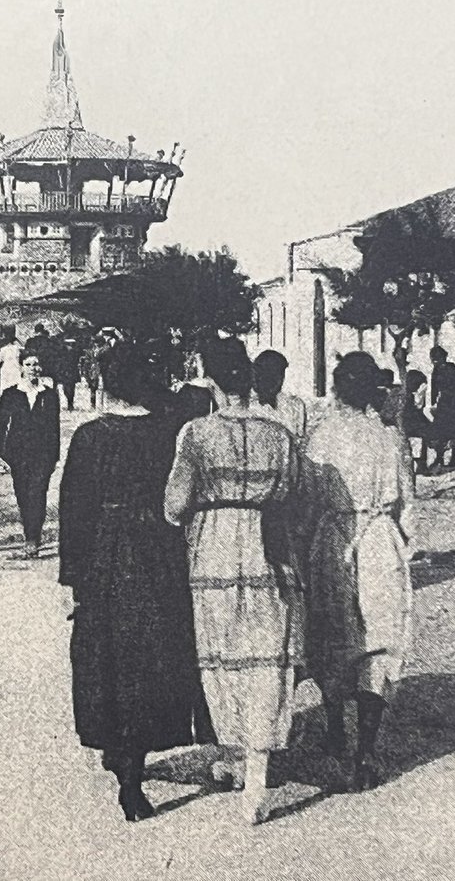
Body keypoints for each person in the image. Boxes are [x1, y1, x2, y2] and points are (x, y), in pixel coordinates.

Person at [59, 343, 206, 822]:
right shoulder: (170, 432)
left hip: (105, 556)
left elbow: (74, 513)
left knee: (108, 659)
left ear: (105, 382)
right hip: (159, 553)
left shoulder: (90, 437)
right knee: (152, 657)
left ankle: (120, 757)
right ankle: (134, 775)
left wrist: (74, 576)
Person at [163, 340, 301, 825]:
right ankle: (256, 775)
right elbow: (292, 493)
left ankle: (239, 755)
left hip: (216, 550)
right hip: (271, 547)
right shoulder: (280, 434)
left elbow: (174, 506)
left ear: (214, 381)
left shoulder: (196, 434)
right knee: (267, 657)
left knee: (223, 656)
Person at [298, 352, 413, 792]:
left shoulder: (320, 437)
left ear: (336, 387)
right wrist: (405, 540)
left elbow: (307, 499)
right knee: (379, 639)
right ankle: (365, 751)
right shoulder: (389, 438)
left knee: (333, 630)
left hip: (334, 538)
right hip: (380, 538)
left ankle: (333, 726)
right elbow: (406, 501)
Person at [0, 351, 61, 557]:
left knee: (38, 493)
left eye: (36, 364)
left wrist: (54, 457)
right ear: (21, 367)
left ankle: (33, 538)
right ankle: (29, 531)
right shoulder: (11, 394)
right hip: (18, 454)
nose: (33, 368)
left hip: (42, 455)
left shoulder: (49, 395)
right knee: (23, 495)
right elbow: (0, 425)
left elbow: (54, 428)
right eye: (29, 364)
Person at [252, 350, 309, 446]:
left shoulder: (295, 405)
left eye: (280, 375)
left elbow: (300, 443)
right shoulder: (248, 407)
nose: (279, 381)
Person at [402, 369, 434, 473]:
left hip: (408, 424)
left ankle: (421, 463)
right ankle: (422, 463)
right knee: (428, 432)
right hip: (410, 425)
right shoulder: (410, 397)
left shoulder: (406, 394)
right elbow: (418, 407)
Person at [54, 338, 80, 411]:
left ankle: (70, 404)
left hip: (66, 372)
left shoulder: (65, 352)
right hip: (71, 373)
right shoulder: (75, 351)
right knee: (70, 389)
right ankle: (70, 404)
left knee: (67, 389)